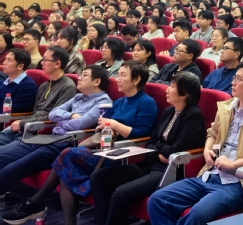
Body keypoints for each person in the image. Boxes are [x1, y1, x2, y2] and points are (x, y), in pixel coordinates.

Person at [13, 62, 157, 224]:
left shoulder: (146, 102)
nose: (117, 79)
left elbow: (143, 134)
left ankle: (38, 203)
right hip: (106, 148)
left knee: (67, 156)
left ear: (137, 79)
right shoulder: (118, 102)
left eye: (123, 75)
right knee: (67, 164)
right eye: (118, 75)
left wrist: (115, 125)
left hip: (127, 155)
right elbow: (107, 127)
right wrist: (105, 128)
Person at [148, 59, 243, 224]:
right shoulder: (227, 108)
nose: (232, 83)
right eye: (234, 78)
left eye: (239, 79)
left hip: (237, 182)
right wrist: (207, 150)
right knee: (157, 200)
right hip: (209, 174)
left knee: (197, 214)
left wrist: (234, 164)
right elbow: (213, 133)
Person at [86, 73, 205, 225]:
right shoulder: (169, 111)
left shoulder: (194, 115)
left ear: (184, 94)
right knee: (98, 177)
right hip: (152, 162)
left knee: (122, 192)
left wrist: (158, 149)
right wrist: (159, 151)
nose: (167, 90)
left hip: (169, 170)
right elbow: (152, 141)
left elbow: (175, 150)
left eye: (172, 86)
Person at [0, 65, 112, 213]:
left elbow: (81, 124)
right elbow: (53, 113)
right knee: (3, 157)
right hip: (50, 137)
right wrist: (71, 116)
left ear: (97, 81)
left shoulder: (103, 102)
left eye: (84, 75)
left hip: (66, 143)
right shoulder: (78, 97)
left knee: (12, 168)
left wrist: (63, 121)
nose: (79, 77)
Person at [0, 49, 38, 113]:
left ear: (20, 66)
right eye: (5, 59)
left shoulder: (28, 87)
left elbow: (11, 111)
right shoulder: (6, 81)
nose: (4, 63)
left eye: (9, 60)